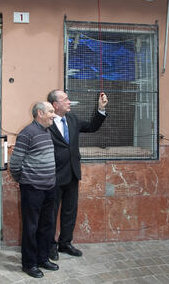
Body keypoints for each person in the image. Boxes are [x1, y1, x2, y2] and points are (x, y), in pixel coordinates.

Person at [47, 89, 108, 260]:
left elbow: (92, 127)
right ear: (55, 105)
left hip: (73, 173)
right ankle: (50, 245)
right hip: (54, 176)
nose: (69, 102)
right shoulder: (47, 122)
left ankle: (65, 243)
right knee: (51, 213)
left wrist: (100, 109)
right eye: (65, 99)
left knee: (69, 211)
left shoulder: (72, 119)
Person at [10, 102, 59, 279]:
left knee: (47, 226)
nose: (54, 115)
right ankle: (29, 264)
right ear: (40, 113)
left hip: (49, 187)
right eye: (51, 111)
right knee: (31, 227)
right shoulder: (27, 133)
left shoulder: (46, 132)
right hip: (32, 188)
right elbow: (15, 163)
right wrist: (23, 180)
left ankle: (42, 258)